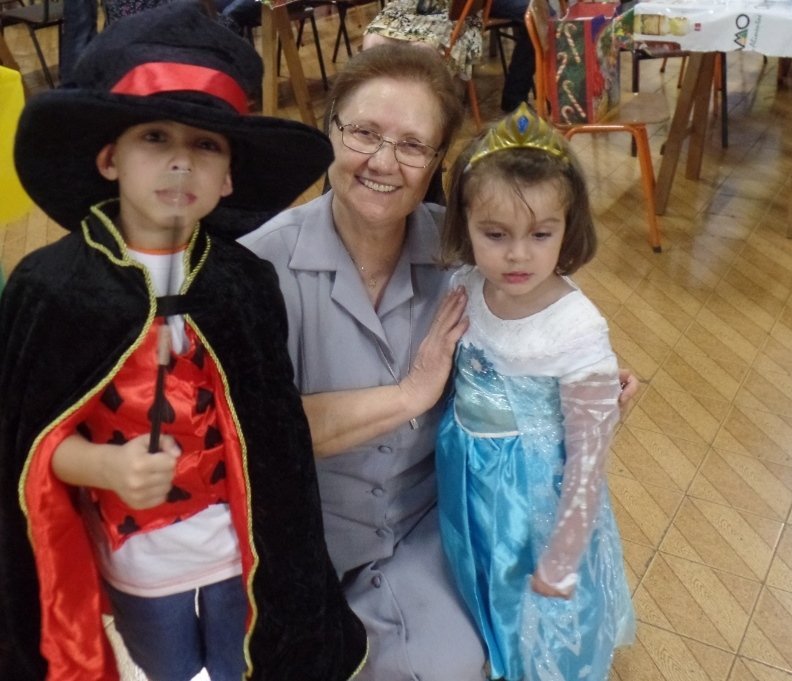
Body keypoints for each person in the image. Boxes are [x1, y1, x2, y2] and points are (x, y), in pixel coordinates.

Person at [240, 44, 638, 680]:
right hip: (299, 540)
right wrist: (409, 394)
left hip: (432, 527)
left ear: (437, 162)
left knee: (460, 663)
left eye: (412, 145)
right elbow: (247, 435)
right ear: (329, 130)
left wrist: (572, 390)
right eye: (363, 132)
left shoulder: (469, 256)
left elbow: (536, 327)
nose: (382, 162)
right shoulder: (257, 268)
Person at [0, 4, 366, 680]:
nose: (178, 161)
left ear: (227, 177)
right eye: (155, 136)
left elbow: (275, 437)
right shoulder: (52, 289)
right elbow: (22, 444)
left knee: (239, 665)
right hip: (139, 560)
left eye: (205, 145)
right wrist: (103, 465)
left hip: (241, 552)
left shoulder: (244, 284)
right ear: (109, 158)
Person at [436, 102, 636, 681]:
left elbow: (589, 458)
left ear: (568, 229)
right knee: (481, 577)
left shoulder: (576, 326)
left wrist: (564, 552)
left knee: (534, 610)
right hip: (467, 472)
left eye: (541, 234)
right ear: (465, 226)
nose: (517, 255)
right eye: (494, 234)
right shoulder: (464, 285)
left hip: (534, 496)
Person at [362, 0, 484, 80]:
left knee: (423, 51)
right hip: (408, 9)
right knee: (373, 39)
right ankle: (380, 94)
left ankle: (421, 99)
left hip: (454, 16)